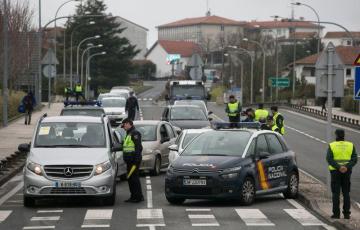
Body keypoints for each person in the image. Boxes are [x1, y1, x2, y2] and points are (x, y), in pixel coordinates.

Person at [326, 129, 357, 219]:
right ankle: (346, 214)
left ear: (336, 135)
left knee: (336, 193)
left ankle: (336, 214)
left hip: (335, 172)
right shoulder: (350, 145)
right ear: (344, 135)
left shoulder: (332, 145)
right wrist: (346, 167)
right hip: (347, 172)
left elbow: (329, 159)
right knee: (346, 192)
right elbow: (354, 159)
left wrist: (339, 167)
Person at [121, 118, 144, 203]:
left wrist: (136, 160)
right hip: (129, 161)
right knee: (131, 178)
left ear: (128, 124)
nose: (123, 127)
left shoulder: (135, 133)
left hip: (134, 161)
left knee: (134, 178)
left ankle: (138, 197)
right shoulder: (129, 133)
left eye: (124, 126)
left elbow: (138, 147)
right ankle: (133, 196)